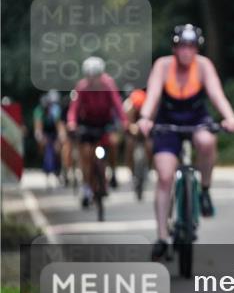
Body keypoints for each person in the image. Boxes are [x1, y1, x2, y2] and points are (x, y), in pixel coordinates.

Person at [137, 24, 234, 261]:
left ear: (197, 49)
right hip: (167, 123)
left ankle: (204, 189)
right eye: (182, 46)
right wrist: (144, 118)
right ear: (174, 48)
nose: (187, 51)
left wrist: (230, 117)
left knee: (206, 141)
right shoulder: (163, 66)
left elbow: (217, 94)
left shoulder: (203, 66)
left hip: (196, 118)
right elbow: (152, 95)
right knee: (164, 176)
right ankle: (162, 236)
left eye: (192, 46)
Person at [66, 57, 127, 207]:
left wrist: (124, 121)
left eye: (96, 76)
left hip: (105, 122)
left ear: (101, 74)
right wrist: (72, 124)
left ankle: (112, 172)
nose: (93, 80)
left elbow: (117, 104)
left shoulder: (108, 84)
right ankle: (86, 187)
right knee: (86, 155)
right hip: (87, 124)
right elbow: (73, 109)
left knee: (112, 144)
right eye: (90, 76)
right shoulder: (81, 87)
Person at [33, 90, 66, 186]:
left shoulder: (55, 109)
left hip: (54, 133)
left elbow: (58, 124)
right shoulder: (39, 110)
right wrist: (40, 137)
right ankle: (46, 170)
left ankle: (58, 171)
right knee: (44, 149)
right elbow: (38, 126)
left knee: (58, 151)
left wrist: (60, 137)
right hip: (45, 133)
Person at [122, 86, 152, 185]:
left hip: (145, 128)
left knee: (149, 145)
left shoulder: (148, 104)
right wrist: (130, 127)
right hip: (132, 129)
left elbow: (152, 120)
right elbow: (126, 122)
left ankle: (149, 166)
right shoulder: (128, 106)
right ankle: (130, 169)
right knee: (129, 146)